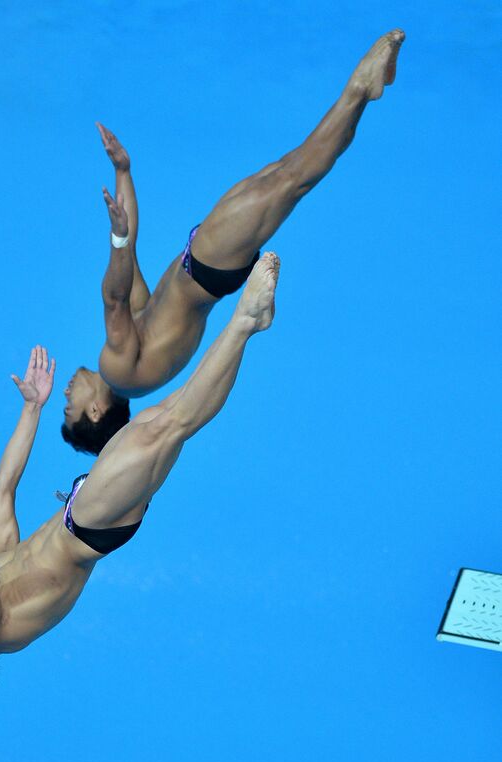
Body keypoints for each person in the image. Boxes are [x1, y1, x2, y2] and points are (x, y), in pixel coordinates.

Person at [0, 252, 280, 709]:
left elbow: (3, 491)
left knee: (165, 415)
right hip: (87, 526)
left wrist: (32, 409)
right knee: (173, 424)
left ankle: (249, 325)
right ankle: (245, 320)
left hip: (87, 517)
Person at [61, 29, 404, 455]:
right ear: (95, 412)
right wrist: (116, 235)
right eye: (69, 409)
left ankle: (363, 95)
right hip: (207, 263)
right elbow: (112, 296)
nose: (66, 395)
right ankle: (359, 88)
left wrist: (123, 171)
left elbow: (128, 260)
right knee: (293, 177)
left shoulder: (133, 360)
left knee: (289, 172)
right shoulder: (116, 369)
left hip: (207, 263)